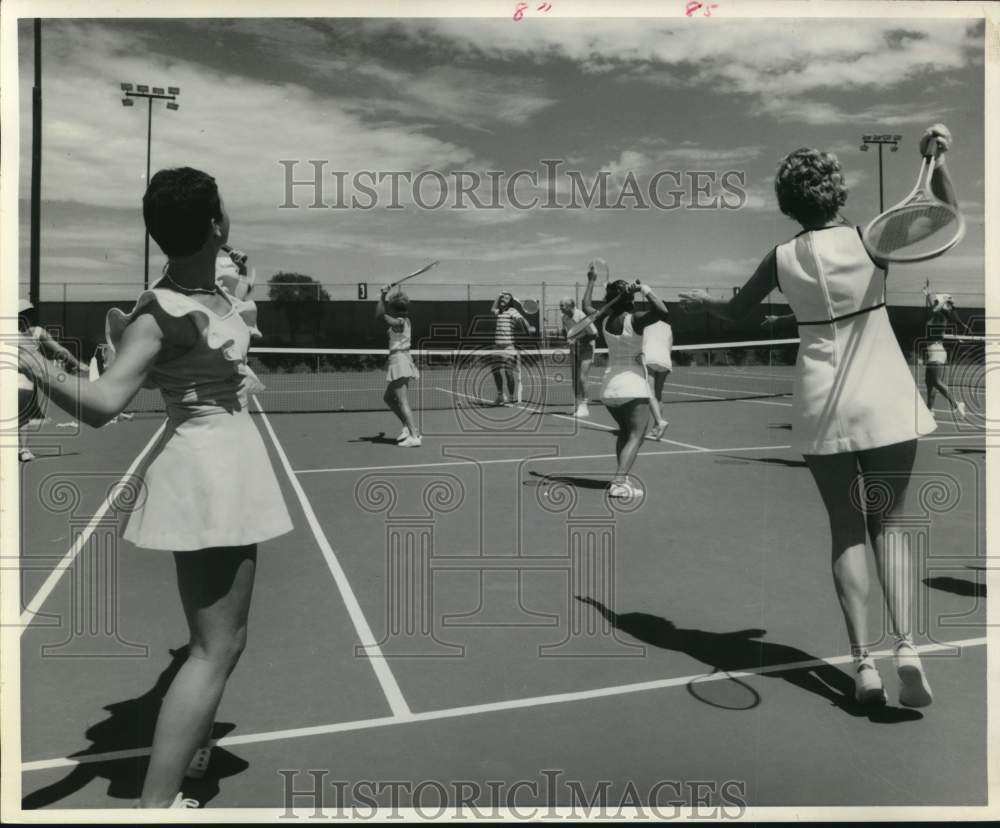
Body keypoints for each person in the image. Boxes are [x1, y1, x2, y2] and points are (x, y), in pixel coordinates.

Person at [19, 167, 294, 806]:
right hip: (206, 471)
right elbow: (104, 403)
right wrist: (42, 371)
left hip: (228, 460)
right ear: (215, 224)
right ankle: (156, 806)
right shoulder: (157, 311)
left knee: (224, 641)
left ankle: (188, 755)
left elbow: (227, 325)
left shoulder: (216, 293)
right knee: (211, 649)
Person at [680, 124, 958, 708]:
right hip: (882, 390)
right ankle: (906, 646)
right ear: (837, 193)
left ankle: (863, 667)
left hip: (819, 394)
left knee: (847, 530)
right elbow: (944, 219)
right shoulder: (872, 240)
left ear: (789, 204)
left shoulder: (781, 258)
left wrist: (693, 303)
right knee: (890, 526)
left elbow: (734, 314)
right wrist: (942, 157)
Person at [581, 268, 670, 498]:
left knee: (624, 433)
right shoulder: (636, 320)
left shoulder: (605, 320)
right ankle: (619, 482)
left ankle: (623, 479)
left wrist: (590, 281)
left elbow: (585, 306)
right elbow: (662, 310)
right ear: (629, 298)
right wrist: (645, 289)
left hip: (609, 386)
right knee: (637, 436)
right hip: (632, 385)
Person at [17, 299, 85, 461]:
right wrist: (78, 364)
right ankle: (24, 450)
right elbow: (60, 350)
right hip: (25, 382)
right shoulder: (37, 332)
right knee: (23, 417)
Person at [377, 286, 422, 447]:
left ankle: (414, 436)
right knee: (388, 398)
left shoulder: (400, 322)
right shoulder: (400, 322)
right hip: (398, 360)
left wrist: (382, 295)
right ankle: (408, 427)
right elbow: (380, 314)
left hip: (401, 361)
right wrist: (383, 298)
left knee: (402, 401)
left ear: (394, 308)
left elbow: (381, 316)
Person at [922, 287, 966, 419]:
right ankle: (929, 410)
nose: (935, 303)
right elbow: (933, 309)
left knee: (936, 381)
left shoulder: (941, 316)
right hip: (933, 352)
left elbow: (935, 309)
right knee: (929, 383)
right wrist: (928, 296)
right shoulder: (937, 314)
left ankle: (957, 404)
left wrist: (944, 299)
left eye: (937, 302)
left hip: (936, 351)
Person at [490, 292, 532, 405]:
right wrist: (498, 295)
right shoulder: (499, 311)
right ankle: (500, 395)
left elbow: (524, 321)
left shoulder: (513, 311)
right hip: (497, 346)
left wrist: (527, 326)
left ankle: (511, 397)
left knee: (508, 372)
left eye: (506, 297)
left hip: (508, 346)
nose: (504, 298)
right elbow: (492, 309)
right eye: (503, 297)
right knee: (495, 371)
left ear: (510, 301)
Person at [559, 296, 597, 417]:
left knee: (582, 377)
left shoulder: (582, 317)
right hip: (574, 349)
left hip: (587, 349)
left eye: (562, 306)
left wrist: (576, 339)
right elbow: (568, 333)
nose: (560, 308)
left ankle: (584, 407)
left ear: (570, 306)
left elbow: (595, 334)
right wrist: (569, 339)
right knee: (575, 379)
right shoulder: (564, 318)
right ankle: (577, 404)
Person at [642, 319, 673, 440]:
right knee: (658, 394)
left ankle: (660, 421)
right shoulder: (668, 326)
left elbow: (640, 342)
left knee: (650, 393)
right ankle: (656, 428)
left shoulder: (644, 323)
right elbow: (670, 345)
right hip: (665, 360)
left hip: (650, 358)